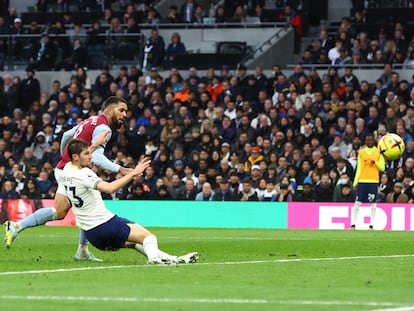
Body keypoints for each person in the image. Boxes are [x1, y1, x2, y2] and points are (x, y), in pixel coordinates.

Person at [4, 96, 132, 261]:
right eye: (121, 110)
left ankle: (18, 226)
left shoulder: (90, 121)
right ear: (108, 110)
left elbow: (66, 135)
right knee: (88, 207)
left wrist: (65, 156)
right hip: (72, 171)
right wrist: (119, 169)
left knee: (61, 211)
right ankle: (81, 250)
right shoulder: (103, 128)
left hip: (65, 168)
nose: (125, 114)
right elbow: (97, 156)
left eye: (126, 111)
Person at [63, 138, 198, 264]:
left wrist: (97, 143)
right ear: (76, 156)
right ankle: (154, 260)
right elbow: (109, 188)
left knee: (135, 243)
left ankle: (174, 259)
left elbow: (79, 152)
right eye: (87, 153)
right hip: (105, 224)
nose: (90, 155)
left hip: (93, 235)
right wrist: (133, 173)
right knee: (149, 237)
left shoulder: (67, 169)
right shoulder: (84, 174)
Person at [351, 134, 385, 230]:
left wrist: (376, 163)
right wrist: (355, 182)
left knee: (373, 203)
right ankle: (353, 224)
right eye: (367, 140)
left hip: (373, 181)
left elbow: (382, 168)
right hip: (362, 180)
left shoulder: (378, 153)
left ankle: (371, 225)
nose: (369, 141)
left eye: (371, 140)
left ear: (374, 141)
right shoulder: (361, 153)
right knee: (357, 202)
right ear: (365, 141)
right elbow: (359, 168)